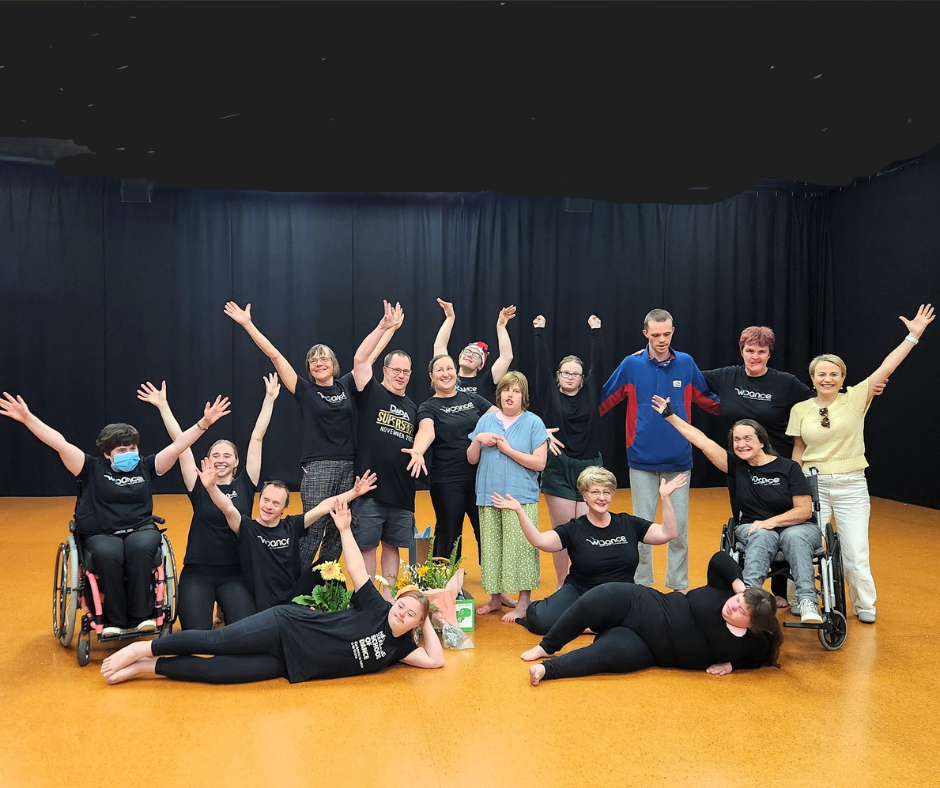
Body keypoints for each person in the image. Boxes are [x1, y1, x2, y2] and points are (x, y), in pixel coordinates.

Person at [99, 497, 444, 685]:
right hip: (287, 625)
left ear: (414, 626)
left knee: (219, 673)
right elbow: (356, 569)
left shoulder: (399, 649)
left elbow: (435, 660)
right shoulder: (376, 609)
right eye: (402, 607)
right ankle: (142, 648)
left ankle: (147, 668)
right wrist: (344, 529)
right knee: (215, 643)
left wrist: (424, 612)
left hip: (291, 663)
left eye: (409, 616)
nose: (401, 613)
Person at [0, 391, 230, 635]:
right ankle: (114, 620)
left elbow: (178, 446)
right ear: (108, 453)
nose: (128, 453)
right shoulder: (90, 467)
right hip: (102, 531)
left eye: (132, 448)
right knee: (109, 555)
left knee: (141, 549)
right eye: (121, 450)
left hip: (140, 528)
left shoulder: (145, 466)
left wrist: (203, 423)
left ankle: (142, 616)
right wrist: (28, 418)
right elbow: (59, 443)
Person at [786, 303, 934, 624]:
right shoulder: (800, 409)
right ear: (812, 378)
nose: (828, 378)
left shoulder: (855, 398)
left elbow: (886, 367)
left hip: (851, 485)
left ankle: (864, 603)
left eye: (834, 374)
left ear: (843, 378)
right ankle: (802, 597)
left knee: (855, 552)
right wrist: (794, 487)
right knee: (806, 544)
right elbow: (798, 450)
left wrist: (912, 336)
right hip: (812, 484)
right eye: (821, 373)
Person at [223, 301, 392, 571]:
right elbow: (275, 355)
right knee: (312, 531)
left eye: (323, 358)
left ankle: (319, 586)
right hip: (318, 466)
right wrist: (247, 324)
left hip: (350, 465)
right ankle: (292, 584)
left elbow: (369, 356)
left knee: (339, 531)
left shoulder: (347, 384)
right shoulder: (304, 390)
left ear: (333, 364)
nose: (318, 362)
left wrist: (389, 328)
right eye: (313, 360)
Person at [651, 396, 821, 623]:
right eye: (736, 440)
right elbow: (702, 441)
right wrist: (670, 416)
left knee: (794, 535)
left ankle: (807, 601)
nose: (741, 444)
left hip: (797, 526)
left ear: (761, 441)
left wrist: (771, 522)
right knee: (761, 535)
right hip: (753, 528)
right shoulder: (736, 466)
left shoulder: (788, 467)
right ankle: (749, 600)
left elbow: (804, 511)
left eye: (748, 439)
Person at [136, 375, 280, 630]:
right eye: (216, 455)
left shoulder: (246, 484)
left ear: (237, 462)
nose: (222, 459)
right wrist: (163, 406)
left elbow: (257, 437)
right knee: (196, 633)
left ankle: (226, 607)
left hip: (234, 572)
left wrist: (269, 399)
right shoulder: (197, 483)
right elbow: (181, 441)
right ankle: (212, 607)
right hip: (198, 570)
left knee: (242, 632)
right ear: (208, 460)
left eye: (228, 455)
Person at [520, 551, 782, 686]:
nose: (732, 607)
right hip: (641, 603)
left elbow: (759, 658)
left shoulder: (753, 642)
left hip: (645, 647)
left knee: (602, 657)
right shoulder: (725, 591)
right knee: (598, 596)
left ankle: (547, 670)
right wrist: (739, 587)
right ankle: (547, 646)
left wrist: (732, 666)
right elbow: (719, 559)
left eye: (740, 612)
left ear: (752, 625)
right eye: (736, 602)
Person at [600, 308, 720, 591]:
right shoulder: (632, 365)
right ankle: (642, 586)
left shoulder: (687, 363)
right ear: (645, 334)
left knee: (678, 531)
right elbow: (604, 399)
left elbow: (707, 399)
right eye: (656, 335)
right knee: (642, 529)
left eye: (667, 334)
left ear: (673, 332)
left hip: (679, 461)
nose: (662, 339)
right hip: (641, 460)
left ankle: (678, 587)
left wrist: (738, 406)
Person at [492, 465, 686, 635]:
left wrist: (665, 498)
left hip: (621, 593)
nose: (601, 498)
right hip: (581, 591)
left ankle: (584, 624)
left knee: (659, 621)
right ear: (584, 496)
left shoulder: (628, 523)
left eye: (606, 492)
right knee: (540, 621)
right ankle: (588, 622)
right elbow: (540, 541)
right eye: (595, 492)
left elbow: (668, 533)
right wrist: (519, 511)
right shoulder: (574, 528)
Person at [196, 460, 376, 611]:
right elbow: (228, 508)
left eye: (276, 503)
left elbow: (323, 507)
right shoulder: (246, 527)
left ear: (284, 509)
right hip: (263, 605)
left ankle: (342, 612)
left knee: (328, 562)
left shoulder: (291, 525)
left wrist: (355, 492)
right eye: (266, 500)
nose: (268, 506)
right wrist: (212, 488)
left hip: (294, 598)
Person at [532, 313, 605, 588]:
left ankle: (587, 584)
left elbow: (599, 363)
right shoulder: (550, 395)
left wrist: (596, 332)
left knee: (588, 530)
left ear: (583, 378)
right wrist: (539, 332)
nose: (570, 377)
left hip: (590, 467)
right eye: (565, 373)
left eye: (576, 373)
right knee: (563, 533)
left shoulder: (591, 392)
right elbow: (540, 366)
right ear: (558, 376)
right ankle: (564, 586)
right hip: (559, 468)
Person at [468, 371, 548, 622]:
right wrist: (478, 441)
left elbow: (539, 463)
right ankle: (495, 598)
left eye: (515, 391)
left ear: (523, 395)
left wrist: (508, 450)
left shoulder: (534, 422)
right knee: (491, 549)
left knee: (522, 549)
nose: (509, 395)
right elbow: (471, 458)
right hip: (488, 494)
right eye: (505, 390)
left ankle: (524, 602)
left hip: (519, 496)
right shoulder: (486, 420)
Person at [402, 353, 497, 561]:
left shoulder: (473, 399)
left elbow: (503, 418)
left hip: (480, 477)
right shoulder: (428, 407)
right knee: (449, 532)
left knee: (486, 532)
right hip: (447, 480)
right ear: (431, 376)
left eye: (449, 369)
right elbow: (427, 431)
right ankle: (446, 586)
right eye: (440, 370)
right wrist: (418, 450)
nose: (446, 374)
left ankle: (494, 589)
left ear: (456, 372)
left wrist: (535, 430)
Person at [351, 301, 418, 594]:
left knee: (393, 547)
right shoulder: (371, 392)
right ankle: (369, 602)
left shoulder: (415, 408)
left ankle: (389, 602)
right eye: (396, 370)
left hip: (402, 492)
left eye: (406, 371)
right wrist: (383, 327)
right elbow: (359, 360)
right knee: (367, 547)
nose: (401, 375)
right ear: (386, 370)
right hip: (369, 489)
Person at [433, 298, 516, 402]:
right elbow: (439, 346)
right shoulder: (447, 376)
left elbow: (506, 357)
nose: (469, 355)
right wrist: (450, 318)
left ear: (480, 366)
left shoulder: (486, 381)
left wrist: (501, 326)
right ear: (460, 356)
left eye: (476, 355)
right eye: (467, 352)